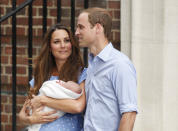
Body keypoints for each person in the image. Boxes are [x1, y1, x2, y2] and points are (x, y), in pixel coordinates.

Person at [75, 7, 138, 131]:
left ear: (98, 28)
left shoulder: (120, 64)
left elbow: (129, 114)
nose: (76, 32)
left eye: (81, 27)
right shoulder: (92, 65)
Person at [19, 24, 87, 131]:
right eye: (57, 42)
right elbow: (22, 115)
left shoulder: (81, 73)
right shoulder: (42, 75)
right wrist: (32, 120)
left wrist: (43, 100)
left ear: (72, 44)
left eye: (66, 40)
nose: (63, 45)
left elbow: (77, 107)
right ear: (50, 48)